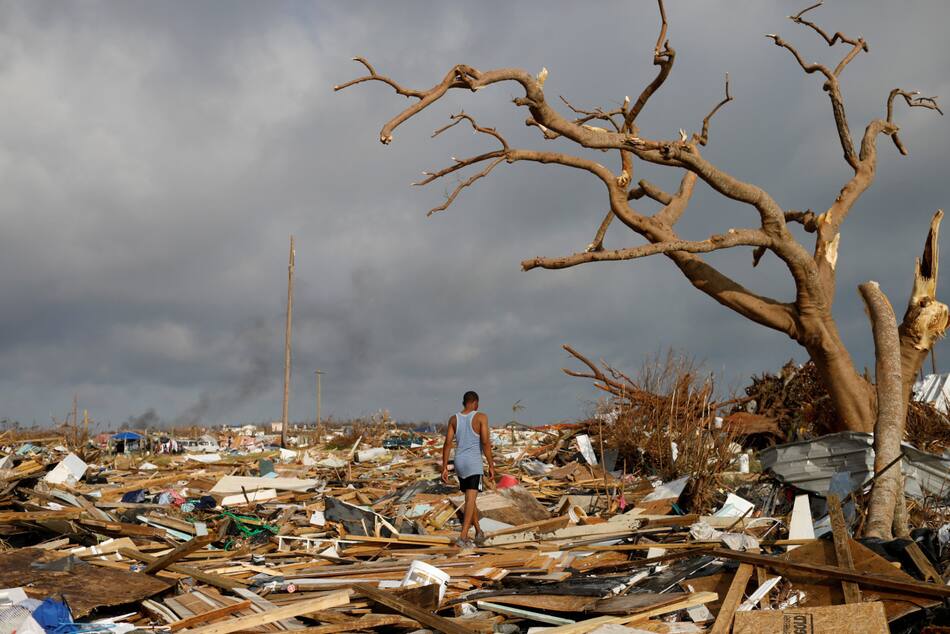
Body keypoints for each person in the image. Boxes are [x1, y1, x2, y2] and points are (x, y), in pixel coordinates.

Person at [442, 390, 495, 548]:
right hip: (473, 463)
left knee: (469, 499)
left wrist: (444, 467)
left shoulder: (454, 419)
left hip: (459, 463)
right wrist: (491, 464)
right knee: (470, 499)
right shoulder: (481, 417)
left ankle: (478, 532)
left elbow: (447, 443)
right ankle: (463, 536)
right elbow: (485, 442)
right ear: (475, 402)